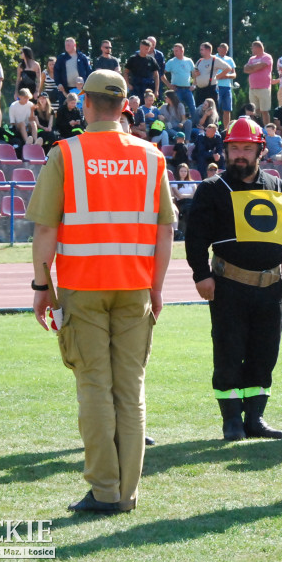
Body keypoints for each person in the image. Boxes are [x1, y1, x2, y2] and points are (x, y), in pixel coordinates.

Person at [27, 69, 173, 514]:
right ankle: (127, 493)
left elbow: (46, 229)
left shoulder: (66, 154)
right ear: (125, 107)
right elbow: (165, 232)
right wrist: (157, 288)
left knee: (94, 386)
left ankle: (104, 490)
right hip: (134, 288)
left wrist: (41, 286)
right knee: (131, 390)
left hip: (83, 287)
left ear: (85, 104)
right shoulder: (151, 157)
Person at [186, 118, 282, 440]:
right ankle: (231, 420)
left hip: (271, 288)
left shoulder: (277, 186)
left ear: (261, 150)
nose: (240, 155)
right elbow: (194, 238)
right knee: (229, 353)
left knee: (265, 354)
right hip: (228, 287)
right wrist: (201, 275)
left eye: (247, 148)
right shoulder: (212, 189)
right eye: (234, 149)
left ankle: (255, 418)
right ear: (225, 151)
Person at [162, 43, 198, 123]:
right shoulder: (171, 62)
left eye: (176, 51)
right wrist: (168, 85)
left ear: (182, 50)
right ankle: (177, 124)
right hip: (177, 89)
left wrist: (194, 84)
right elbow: (162, 74)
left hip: (188, 89)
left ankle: (195, 125)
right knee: (176, 108)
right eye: (174, 51)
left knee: (192, 107)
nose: (174, 53)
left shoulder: (189, 61)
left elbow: (194, 73)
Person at [243, 41, 273, 125]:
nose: (251, 49)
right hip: (252, 88)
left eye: (252, 47)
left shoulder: (267, 57)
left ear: (258, 47)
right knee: (254, 111)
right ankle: (255, 129)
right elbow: (245, 69)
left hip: (264, 87)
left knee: (264, 110)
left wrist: (251, 68)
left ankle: (267, 129)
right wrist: (255, 68)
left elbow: (262, 65)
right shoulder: (251, 59)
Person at [193, 42, 226, 108]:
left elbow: (228, 68)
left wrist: (217, 76)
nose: (200, 51)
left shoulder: (215, 60)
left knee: (212, 109)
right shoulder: (200, 61)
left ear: (208, 50)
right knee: (199, 110)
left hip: (210, 89)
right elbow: (193, 72)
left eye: (202, 49)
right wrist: (195, 77)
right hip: (200, 90)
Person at [214, 43, 236, 126]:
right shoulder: (214, 58)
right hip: (216, 86)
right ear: (218, 49)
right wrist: (220, 76)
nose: (224, 52)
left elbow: (234, 75)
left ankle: (226, 129)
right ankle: (215, 126)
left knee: (227, 110)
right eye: (222, 49)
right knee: (216, 109)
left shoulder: (229, 59)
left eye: (226, 50)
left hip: (227, 87)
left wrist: (225, 76)